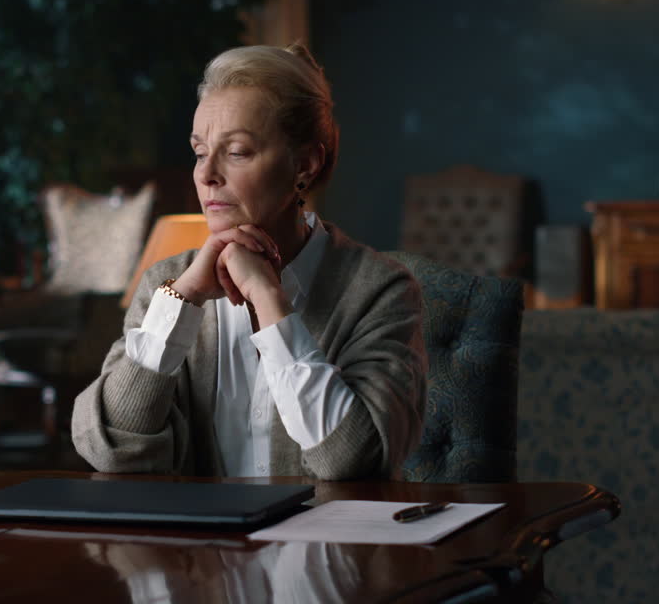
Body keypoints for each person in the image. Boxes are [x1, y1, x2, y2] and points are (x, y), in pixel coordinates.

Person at [71, 43, 427, 480]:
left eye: (236, 152)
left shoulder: (380, 290)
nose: (206, 174)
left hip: (326, 548)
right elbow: (110, 449)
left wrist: (268, 297)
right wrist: (182, 300)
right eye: (200, 152)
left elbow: (353, 461)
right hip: (193, 549)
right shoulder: (167, 284)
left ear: (305, 165)